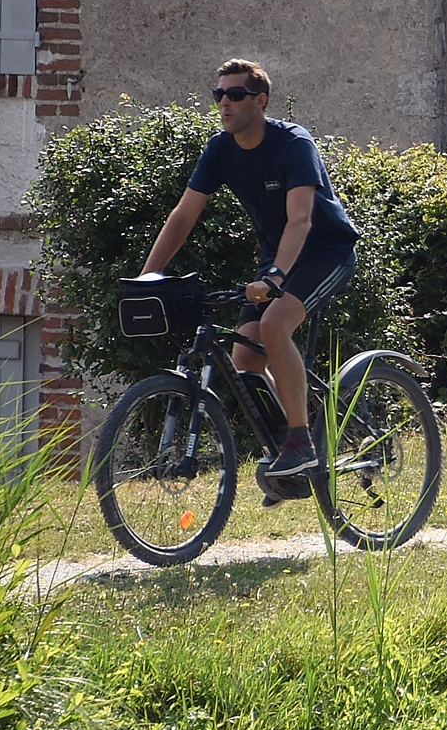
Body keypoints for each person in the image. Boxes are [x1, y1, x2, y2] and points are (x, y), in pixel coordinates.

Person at [139, 58, 361, 479]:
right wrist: (148, 276)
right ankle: (287, 454)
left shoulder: (293, 144)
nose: (224, 103)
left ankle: (300, 442)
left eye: (235, 95)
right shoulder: (220, 149)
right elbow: (184, 216)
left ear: (260, 101)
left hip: (325, 251)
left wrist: (275, 277)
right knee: (245, 361)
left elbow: (301, 220)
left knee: (275, 325)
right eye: (218, 94)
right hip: (276, 258)